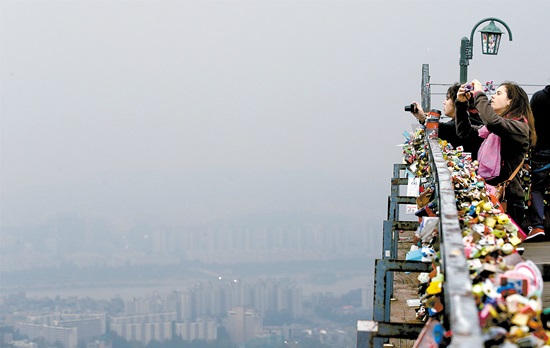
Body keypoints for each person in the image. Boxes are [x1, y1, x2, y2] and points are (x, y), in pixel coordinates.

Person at [455, 80, 537, 230]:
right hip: (490, 196)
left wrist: (479, 94)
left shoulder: (518, 127)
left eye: (498, 93)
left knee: (503, 251)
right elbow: (465, 132)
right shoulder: (492, 130)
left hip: (508, 201)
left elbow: (493, 122)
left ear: (510, 101)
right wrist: (461, 105)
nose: (492, 97)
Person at [409, 83, 484, 159]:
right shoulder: (476, 119)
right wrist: (423, 119)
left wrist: (423, 118)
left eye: (447, 99)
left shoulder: (468, 123)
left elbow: (445, 129)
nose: (444, 102)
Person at [525, 85, 550, 240]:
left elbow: (530, 124)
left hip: (542, 150)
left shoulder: (539, 97)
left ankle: (538, 226)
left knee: (537, 189)